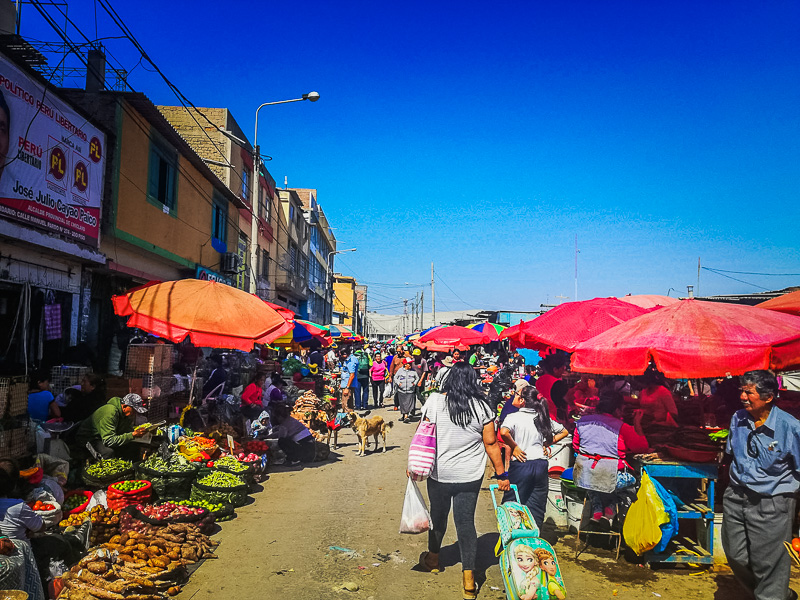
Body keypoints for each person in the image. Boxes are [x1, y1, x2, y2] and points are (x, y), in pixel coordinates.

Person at [412, 361, 509, 600]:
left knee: (438, 517)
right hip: (469, 476)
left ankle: (433, 559)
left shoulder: (434, 401)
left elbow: (423, 435)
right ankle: (469, 580)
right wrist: (501, 473)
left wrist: (413, 464)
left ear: (450, 379)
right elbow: (491, 443)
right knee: (465, 524)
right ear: (473, 381)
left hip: (440, 474)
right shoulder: (483, 406)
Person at [722, 370, 800, 600]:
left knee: (769, 564)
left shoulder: (791, 427)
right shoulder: (738, 418)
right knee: (736, 554)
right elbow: (731, 453)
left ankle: (772, 595)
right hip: (737, 496)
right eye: (742, 391)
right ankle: (776, 595)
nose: (743, 397)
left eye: (749, 392)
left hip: (773, 503)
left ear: (768, 397)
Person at [572, 390, 649, 527]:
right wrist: (637, 422)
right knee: (632, 480)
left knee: (595, 481)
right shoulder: (622, 427)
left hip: (584, 476)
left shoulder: (582, 423)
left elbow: (576, 446)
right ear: (618, 409)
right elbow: (642, 447)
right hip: (611, 479)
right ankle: (609, 513)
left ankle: (597, 513)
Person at [500, 386, 568, 529]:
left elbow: (504, 432)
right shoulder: (542, 417)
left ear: (522, 400)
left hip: (522, 464)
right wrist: (546, 443)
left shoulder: (513, 417)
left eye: (517, 394)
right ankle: (534, 536)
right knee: (536, 505)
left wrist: (515, 447)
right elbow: (564, 432)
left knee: (512, 503)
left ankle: (512, 538)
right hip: (540, 464)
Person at [75, 393, 147, 459]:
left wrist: (137, 433)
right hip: (89, 438)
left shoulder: (125, 415)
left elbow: (127, 431)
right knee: (108, 452)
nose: (135, 413)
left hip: (103, 437)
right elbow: (109, 441)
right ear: (125, 406)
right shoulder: (110, 413)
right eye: (134, 410)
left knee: (133, 446)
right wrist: (132, 435)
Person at [536, 354, 569, 423]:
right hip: (554, 418)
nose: (563, 371)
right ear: (555, 369)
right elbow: (567, 399)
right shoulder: (557, 383)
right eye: (562, 369)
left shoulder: (539, 380)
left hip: (540, 414)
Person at [393, 358, 419, 423]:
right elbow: (395, 378)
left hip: (410, 391)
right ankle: (405, 416)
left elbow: (417, 378)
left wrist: (414, 384)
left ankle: (406, 416)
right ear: (405, 364)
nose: (410, 365)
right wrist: (399, 384)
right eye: (409, 363)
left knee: (409, 404)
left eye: (411, 363)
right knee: (403, 404)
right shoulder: (400, 371)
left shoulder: (413, 371)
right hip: (402, 391)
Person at [339, 347, 360, 412]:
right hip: (346, 384)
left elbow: (352, 375)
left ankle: (348, 419)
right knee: (349, 404)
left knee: (346, 405)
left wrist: (347, 388)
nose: (342, 356)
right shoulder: (350, 359)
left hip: (348, 385)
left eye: (342, 355)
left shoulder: (351, 361)